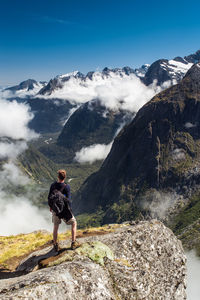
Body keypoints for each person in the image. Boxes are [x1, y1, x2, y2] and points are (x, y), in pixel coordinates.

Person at [48, 169, 79, 251]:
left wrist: (51, 207)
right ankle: (73, 242)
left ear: (58, 176)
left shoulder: (53, 185)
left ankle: (55, 245)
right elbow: (68, 200)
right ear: (65, 177)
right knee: (74, 223)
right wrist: (70, 211)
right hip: (64, 210)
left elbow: (49, 198)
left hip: (55, 210)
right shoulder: (66, 187)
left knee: (55, 227)